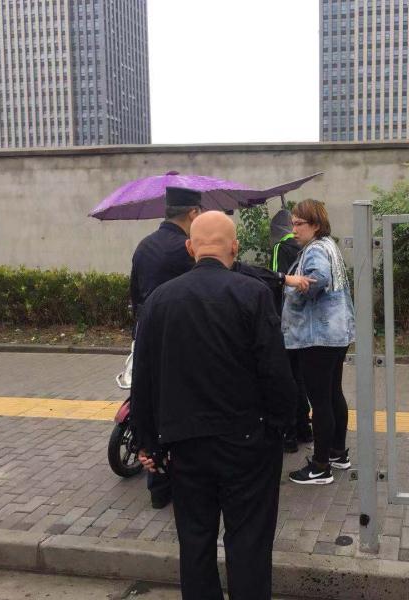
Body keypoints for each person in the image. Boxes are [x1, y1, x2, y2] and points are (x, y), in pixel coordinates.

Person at [131, 211, 296, 600]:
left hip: (185, 445)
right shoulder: (253, 294)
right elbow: (275, 371)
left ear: (191, 248)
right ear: (234, 247)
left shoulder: (159, 301)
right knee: (249, 541)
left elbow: (144, 379)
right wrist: (281, 425)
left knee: (195, 541)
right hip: (248, 441)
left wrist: (147, 442)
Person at [129, 185, 202, 509]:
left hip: (146, 336)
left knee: (150, 403)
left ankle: (157, 486)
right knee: (178, 408)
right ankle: (177, 479)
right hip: (179, 340)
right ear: (193, 213)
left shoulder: (144, 246)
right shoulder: (186, 249)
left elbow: (134, 294)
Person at [282, 199, 355, 485]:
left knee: (320, 401)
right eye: (292, 224)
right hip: (336, 334)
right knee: (333, 394)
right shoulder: (329, 246)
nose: (294, 230)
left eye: (299, 224)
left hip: (317, 337)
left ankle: (320, 467)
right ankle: (337, 452)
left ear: (315, 224)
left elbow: (318, 279)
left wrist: (292, 287)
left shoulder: (314, 250)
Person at [270, 208, 314, 453]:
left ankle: (290, 434)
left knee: (286, 377)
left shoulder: (281, 247)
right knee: (300, 376)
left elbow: (276, 281)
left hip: (286, 320)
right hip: (304, 320)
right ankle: (305, 428)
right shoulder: (306, 246)